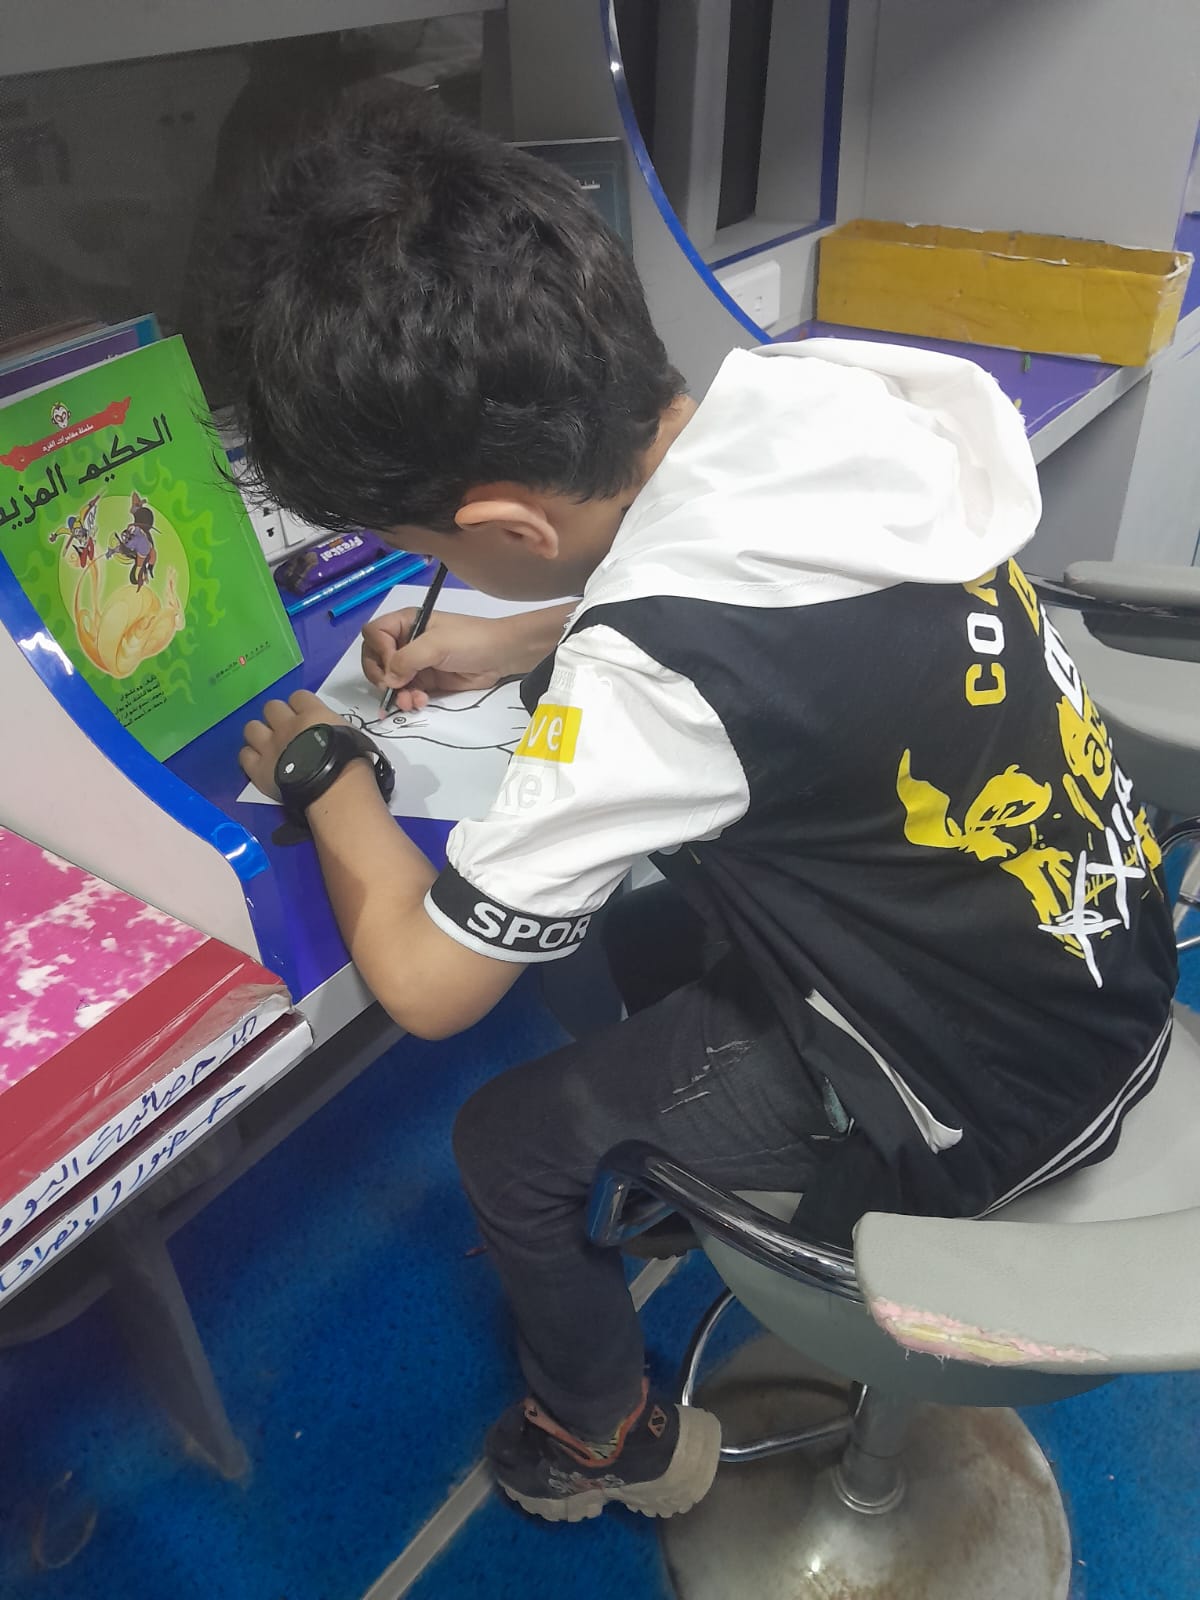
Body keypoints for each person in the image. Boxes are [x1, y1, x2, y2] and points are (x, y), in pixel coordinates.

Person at [218, 91, 1177, 1524]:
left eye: (422, 550)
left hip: (986, 1091)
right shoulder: (817, 399)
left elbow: (423, 982)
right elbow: (757, 597)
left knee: (505, 1146)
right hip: (1098, 959)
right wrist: (519, 635)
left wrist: (329, 777)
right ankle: (690, 1170)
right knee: (639, 942)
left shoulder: (648, 681)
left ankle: (603, 1434)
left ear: (508, 529)